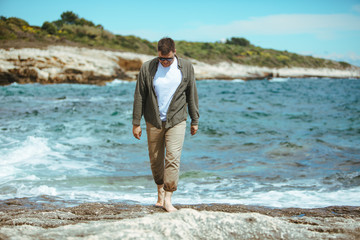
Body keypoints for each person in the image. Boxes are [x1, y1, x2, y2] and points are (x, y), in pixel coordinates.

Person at [132, 37, 199, 212]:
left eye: (168, 59)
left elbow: (192, 93)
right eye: (161, 58)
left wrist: (195, 119)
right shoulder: (148, 67)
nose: (164, 62)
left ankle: (168, 198)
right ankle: (159, 192)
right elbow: (139, 95)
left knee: (173, 158)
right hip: (153, 120)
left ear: (174, 53)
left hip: (177, 119)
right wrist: (136, 122)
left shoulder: (185, 67)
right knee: (155, 160)